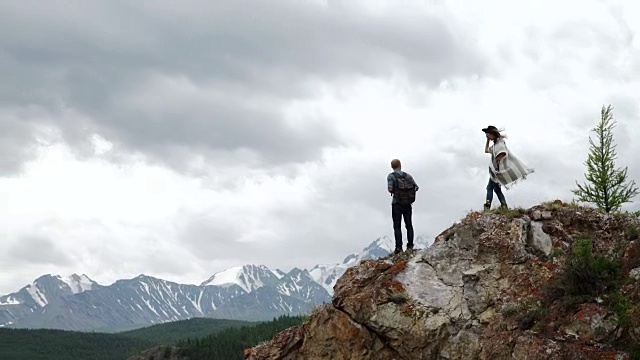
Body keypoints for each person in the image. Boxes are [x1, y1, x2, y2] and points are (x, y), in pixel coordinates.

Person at [482, 125, 534, 210]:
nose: (487, 136)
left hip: (497, 171)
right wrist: (487, 140)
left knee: (490, 188)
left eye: (488, 134)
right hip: (496, 170)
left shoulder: (499, 143)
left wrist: (497, 163)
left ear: (492, 134)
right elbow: (486, 150)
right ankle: (504, 206)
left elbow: (502, 153)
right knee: (496, 189)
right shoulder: (496, 144)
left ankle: (487, 206)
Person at [387, 159, 419, 254]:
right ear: (400, 165)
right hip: (408, 204)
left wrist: (396, 192)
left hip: (397, 203)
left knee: (397, 226)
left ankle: (399, 248)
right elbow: (416, 187)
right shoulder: (408, 176)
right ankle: (410, 246)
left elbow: (390, 189)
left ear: (392, 167)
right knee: (409, 225)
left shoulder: (391, 176)